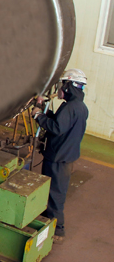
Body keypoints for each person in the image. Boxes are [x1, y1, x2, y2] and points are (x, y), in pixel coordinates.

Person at [32, 68, 88, 244]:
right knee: (52, 190)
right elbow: (59, 123)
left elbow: (56, 128)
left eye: (62, 84)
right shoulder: (77, 107)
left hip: (58, 158)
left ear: (69, 85)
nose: (60, 89)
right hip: (64, 155)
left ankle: (58, 230)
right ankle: (47, 218)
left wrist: (38, 116)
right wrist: (41, 111)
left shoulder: (70, 107)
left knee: (55, 193)